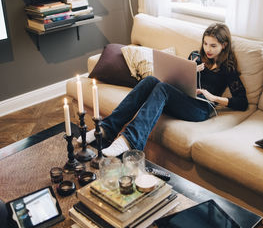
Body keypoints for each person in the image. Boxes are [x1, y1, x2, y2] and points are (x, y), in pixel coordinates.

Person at [82, 23, 248, 157]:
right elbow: (178, 78)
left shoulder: (228, 69)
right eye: (205, 44)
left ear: (224, 45)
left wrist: (214, 97)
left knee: (162, 88)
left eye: (213, 45)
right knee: (150, 81)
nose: (208, 49)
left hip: (201, 108)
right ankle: (106, 129)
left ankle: (129, 141)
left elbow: (242, 102)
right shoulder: (195, 56)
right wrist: (191, 71)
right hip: (183, 98)